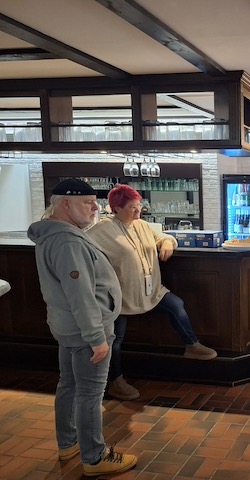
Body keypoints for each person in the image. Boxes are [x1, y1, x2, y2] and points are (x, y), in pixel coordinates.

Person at [27, 178, 137, 476]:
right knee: (90, 393)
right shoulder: (68, 241)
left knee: (69, 385)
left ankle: (69, 443)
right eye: (88, 202)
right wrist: (96, 337)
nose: (95, 208)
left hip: (68, 326)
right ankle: (95, 458)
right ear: (66, 203)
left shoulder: (55, 233)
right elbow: (81, 294)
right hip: (86, 331)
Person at [87, 184, 217, 401]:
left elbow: (164, 237)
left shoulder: (142, 225)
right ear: (116, 208)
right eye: (132, 207)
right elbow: (83, 251)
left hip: (151, 290)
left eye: (139, 206)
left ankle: (192, 345)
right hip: (120, 296)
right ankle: (115, 381)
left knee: (176, 305)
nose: (138, 210)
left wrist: (167, 242)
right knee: (114, 340)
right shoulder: (101, 231)